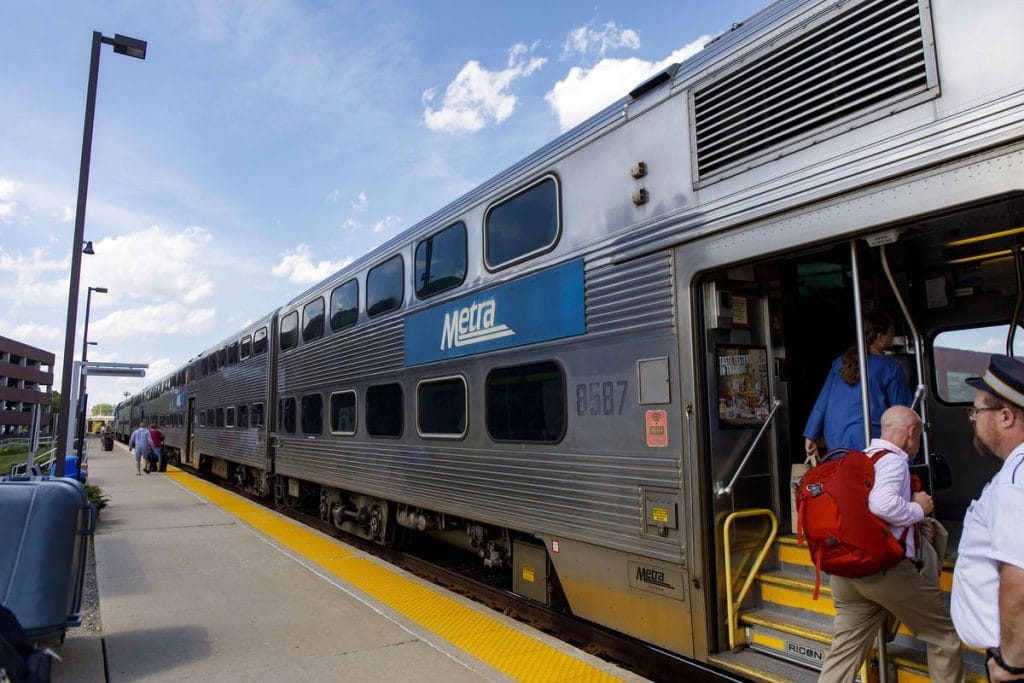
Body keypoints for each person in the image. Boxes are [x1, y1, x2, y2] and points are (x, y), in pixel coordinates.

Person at [818, 405, 964, 683]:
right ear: (911, 433)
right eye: (918, 437)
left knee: (844, 653)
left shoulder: (860, 457)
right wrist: (919, 509)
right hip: (884, 573)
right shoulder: (894, 461)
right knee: (943, 637)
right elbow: (882, 504)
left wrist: (913, 525)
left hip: (846, 574)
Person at [952, 355, 1024, 682]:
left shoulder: (1014, 481)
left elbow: (1019, 580)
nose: (974, 419)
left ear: (1006, 416)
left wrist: (1010, 664)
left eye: (978, 411)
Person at [804, 311, 914, 458]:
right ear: (880, 338)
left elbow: (822, 402)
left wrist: (811, 435)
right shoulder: (890, 367)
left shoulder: (839, 363)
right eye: (891, 332)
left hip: (836, 438)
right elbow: (902, 411)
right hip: (869, 437)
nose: (893, 336)